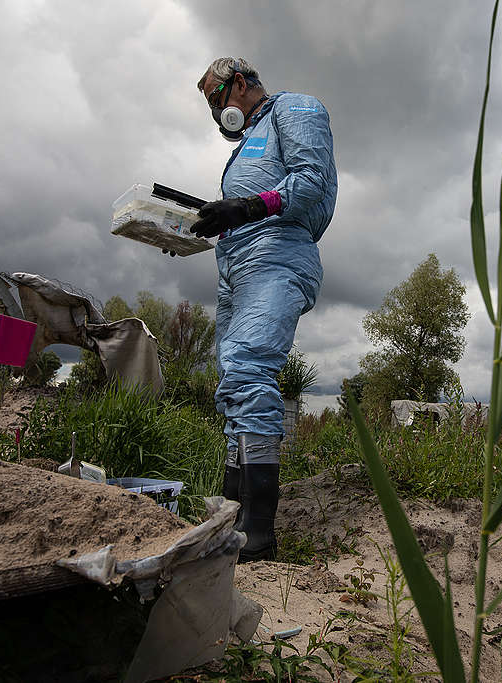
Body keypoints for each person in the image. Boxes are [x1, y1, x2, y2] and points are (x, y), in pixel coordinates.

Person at [187, 57, 337, 562]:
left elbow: (311, 182)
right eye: (209, 103)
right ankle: (231, 510)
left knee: (250, 365)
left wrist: (246, 208)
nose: (215, 110)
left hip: (277, 254)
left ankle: (258, 530)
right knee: (231, 379)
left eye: (216, 97)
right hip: (236, 264)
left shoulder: (293, 109)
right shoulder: (249, 140)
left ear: (243, 81)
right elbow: (247, 200)